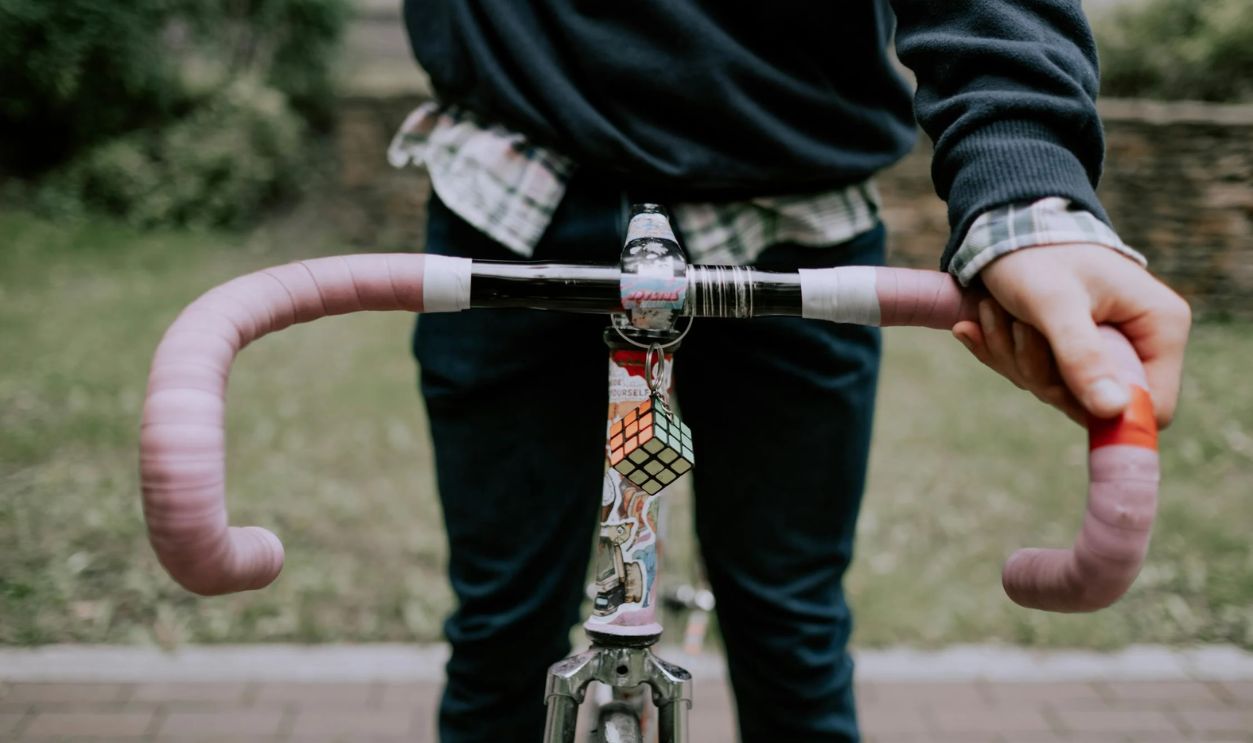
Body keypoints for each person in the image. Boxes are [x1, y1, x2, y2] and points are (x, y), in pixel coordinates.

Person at [388, 2, 1192, 741]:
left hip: (792, 208)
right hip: (509, 195)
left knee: (793, 636)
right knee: (501, 637)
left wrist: (1026, 189)